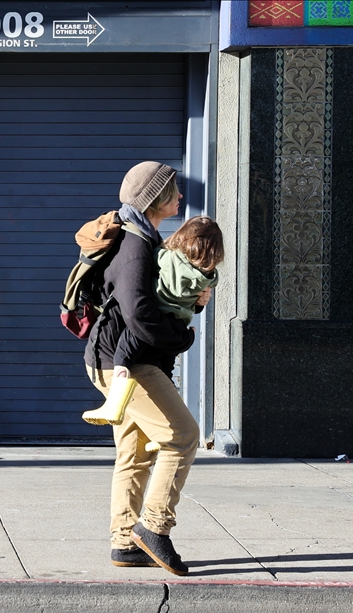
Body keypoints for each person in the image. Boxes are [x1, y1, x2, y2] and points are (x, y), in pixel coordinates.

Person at [84, 161, 203, 577]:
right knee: (183, 436)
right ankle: (153, 528)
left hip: (120, 360)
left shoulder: (144, 236)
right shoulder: (135, 245)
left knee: (134, 453)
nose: (181, 198)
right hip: (124, 364)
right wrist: (183, 338)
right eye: (174, 192)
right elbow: (139, 315)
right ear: (156, 199)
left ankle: (124, 543)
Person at [82, 215, 223, 427]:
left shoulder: (166, 257)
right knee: (166, 369)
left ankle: (114, 403)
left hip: (153, 318)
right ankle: (160, 429)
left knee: (125, 352)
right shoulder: (207, 277)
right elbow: (197, 300)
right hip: (176, 323)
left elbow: (147, 264)